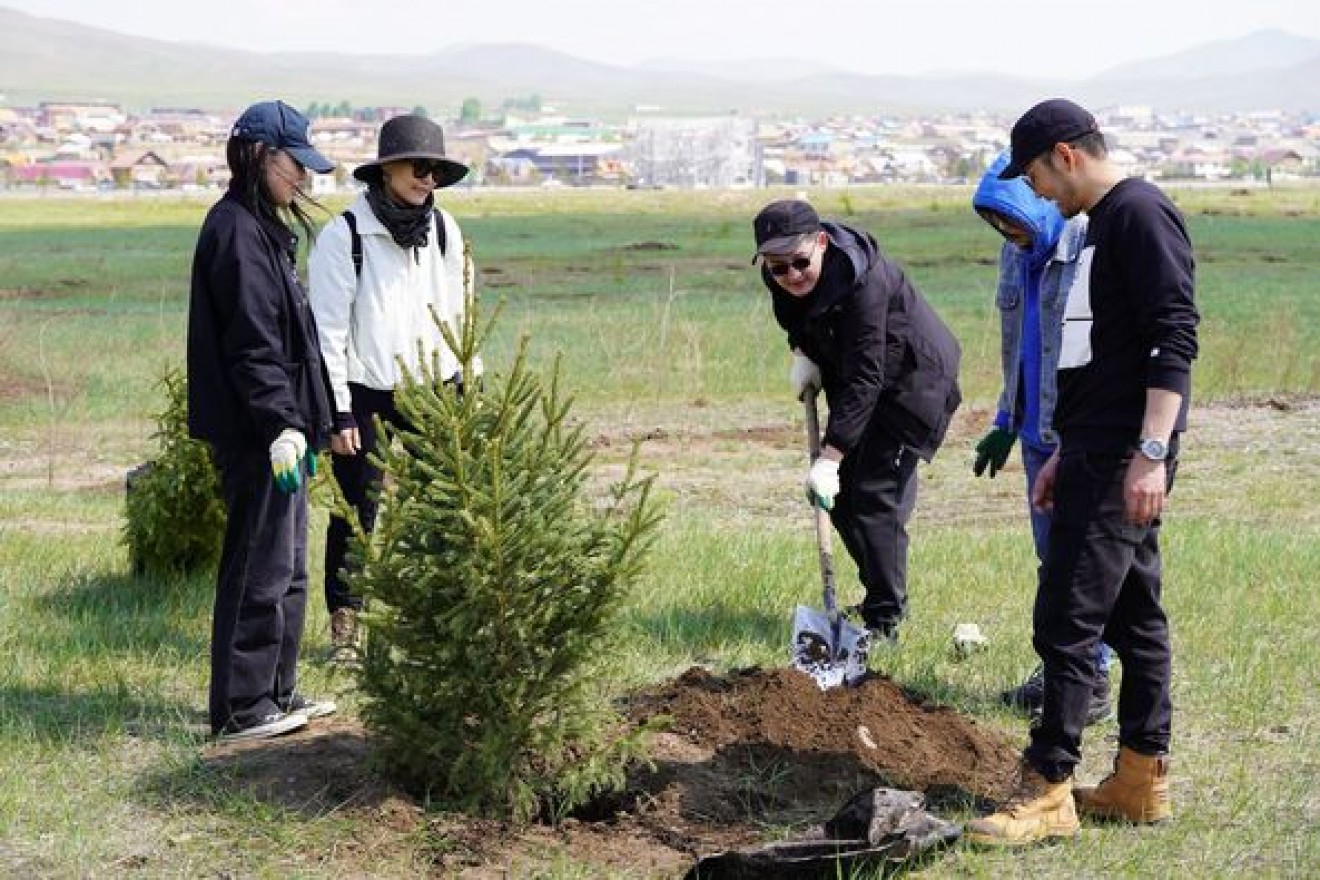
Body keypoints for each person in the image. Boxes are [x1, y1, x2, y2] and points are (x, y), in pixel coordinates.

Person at [968, 99, 1199, 846]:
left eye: (1035, 174)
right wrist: (1066, 447)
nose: (1035, 192)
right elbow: (1102, 355)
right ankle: (1138, 779)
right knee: (1135, 616)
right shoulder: (1098, 226)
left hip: (1124, 458)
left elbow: (1174, 338)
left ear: (1065, 154)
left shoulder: (1138, 214)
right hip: (1095, 450)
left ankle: (1048, 788)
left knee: (1066, 619)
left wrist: (1152, 453)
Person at [187, 100, 339, 741]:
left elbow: (296, 340)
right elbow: (253, 345)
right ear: (257, 156)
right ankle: (241, 709)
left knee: (289, 566)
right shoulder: (236, 234)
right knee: (258, 563)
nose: (302, 178)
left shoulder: (263, 229)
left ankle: (277, 691)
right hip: (259, 435)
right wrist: (279, 424)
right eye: (293, 164)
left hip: (288, 429)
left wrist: (310, 421)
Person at [753, 199, 962, 644]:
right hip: (856, 380)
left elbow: (869, 377)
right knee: (842, 502)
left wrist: (830, 458)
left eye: (799, 262)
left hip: (910, 383)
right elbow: (796, 318)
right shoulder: (782, 276)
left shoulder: (865, 281)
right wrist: (802, 353)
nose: (790, 275)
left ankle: (885, 621)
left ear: (822, 244)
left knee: (872, 496)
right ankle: (879, 597)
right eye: (777, 268)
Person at [308, 114, 472, 661]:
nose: (429, 180)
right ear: (385, 171)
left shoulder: (445, 230)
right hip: (364, 394)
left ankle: (432, 625)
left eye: (437, 171)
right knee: (357, 511)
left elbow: (460, 309)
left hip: (435, 392)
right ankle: (346, 630)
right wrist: (339, 413)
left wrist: (467, 380)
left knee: (443, 508)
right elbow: (328, 331)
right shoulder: (346, 235)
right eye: (419, 168)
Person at [970, 151, 1114, 727]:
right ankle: (1060, 670)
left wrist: (1074, 434)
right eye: (997, 222)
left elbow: (1087, 352)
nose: (1009, 233)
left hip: (1074, 432)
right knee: (1049, 558)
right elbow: (1019, 345)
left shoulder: (1083, 250)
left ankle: (1092, 676)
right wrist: (1006, 420)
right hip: (1033, 431)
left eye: (1016, 218)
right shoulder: (1016, 255)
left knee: (1081, 560)